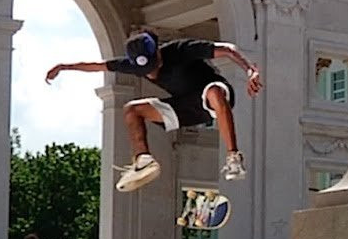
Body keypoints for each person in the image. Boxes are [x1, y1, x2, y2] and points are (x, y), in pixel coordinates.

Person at [45, 31, 264, 192]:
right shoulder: (131, 64)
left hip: (213, 95)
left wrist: (250, 71)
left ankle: (233, 157)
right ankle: (143, 160)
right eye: (145, 71)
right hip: (183, 108)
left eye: (153, 68)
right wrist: (64, 66)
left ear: (158, 52)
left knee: (214, 92)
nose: (150, 74)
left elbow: (227, 49)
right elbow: (97, 65)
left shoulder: (179, 49)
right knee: (132, 110)